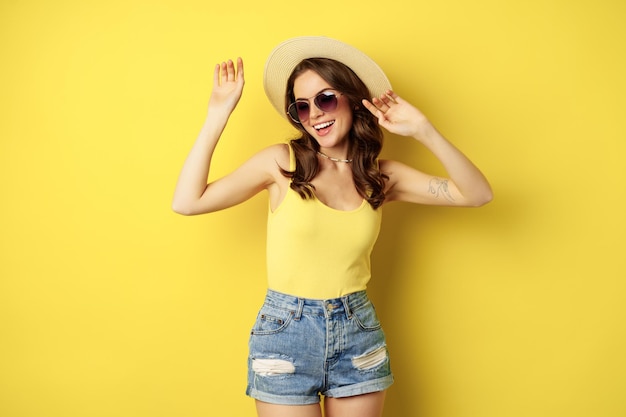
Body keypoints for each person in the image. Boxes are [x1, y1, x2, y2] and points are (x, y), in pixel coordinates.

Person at [172, 36, 492, 417]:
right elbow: (187, 202)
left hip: (357, 331)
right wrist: (217, 114)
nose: (316, 115)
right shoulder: (281, 164)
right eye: (302, 107)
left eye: (325, 99)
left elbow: (476, 194)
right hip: (285, 333)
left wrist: (424, 130)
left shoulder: (379, 177)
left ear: (353, 100)